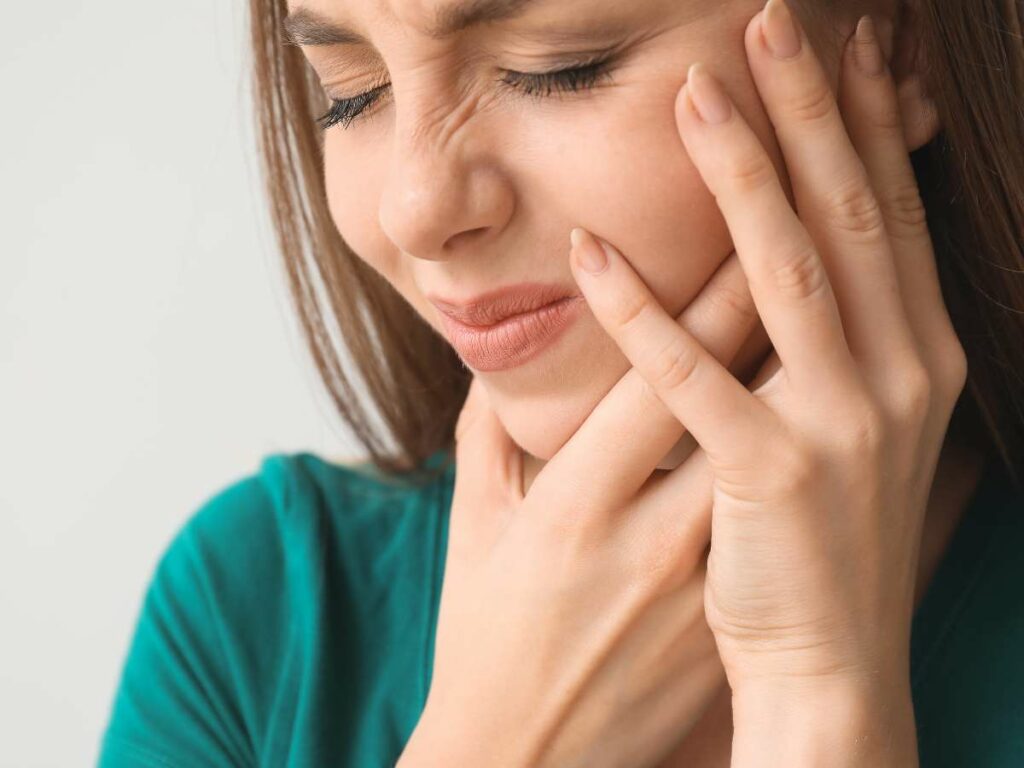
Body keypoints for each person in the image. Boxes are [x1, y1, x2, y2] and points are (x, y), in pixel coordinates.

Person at [97, 0, 1024, 765]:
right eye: (352, 93)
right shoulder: (252, 611)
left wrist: (818, 701)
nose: (415, 209)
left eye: (558, 66)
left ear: (898, 43)